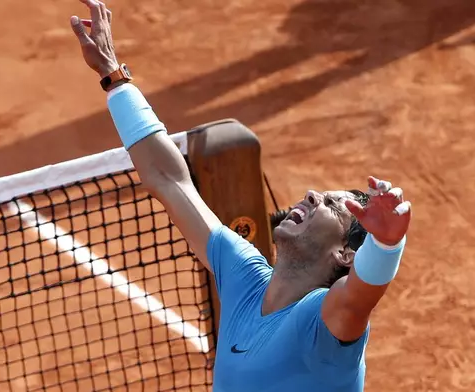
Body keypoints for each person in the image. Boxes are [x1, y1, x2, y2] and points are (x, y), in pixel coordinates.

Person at [69, 1, 412, 390]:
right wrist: (114, 78)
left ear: (345, 255)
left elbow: (360, 295)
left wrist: (387, 244)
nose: (313, 194)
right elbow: (168, 179)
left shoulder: (324, 322)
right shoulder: (244, 276)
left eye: (333, 206)